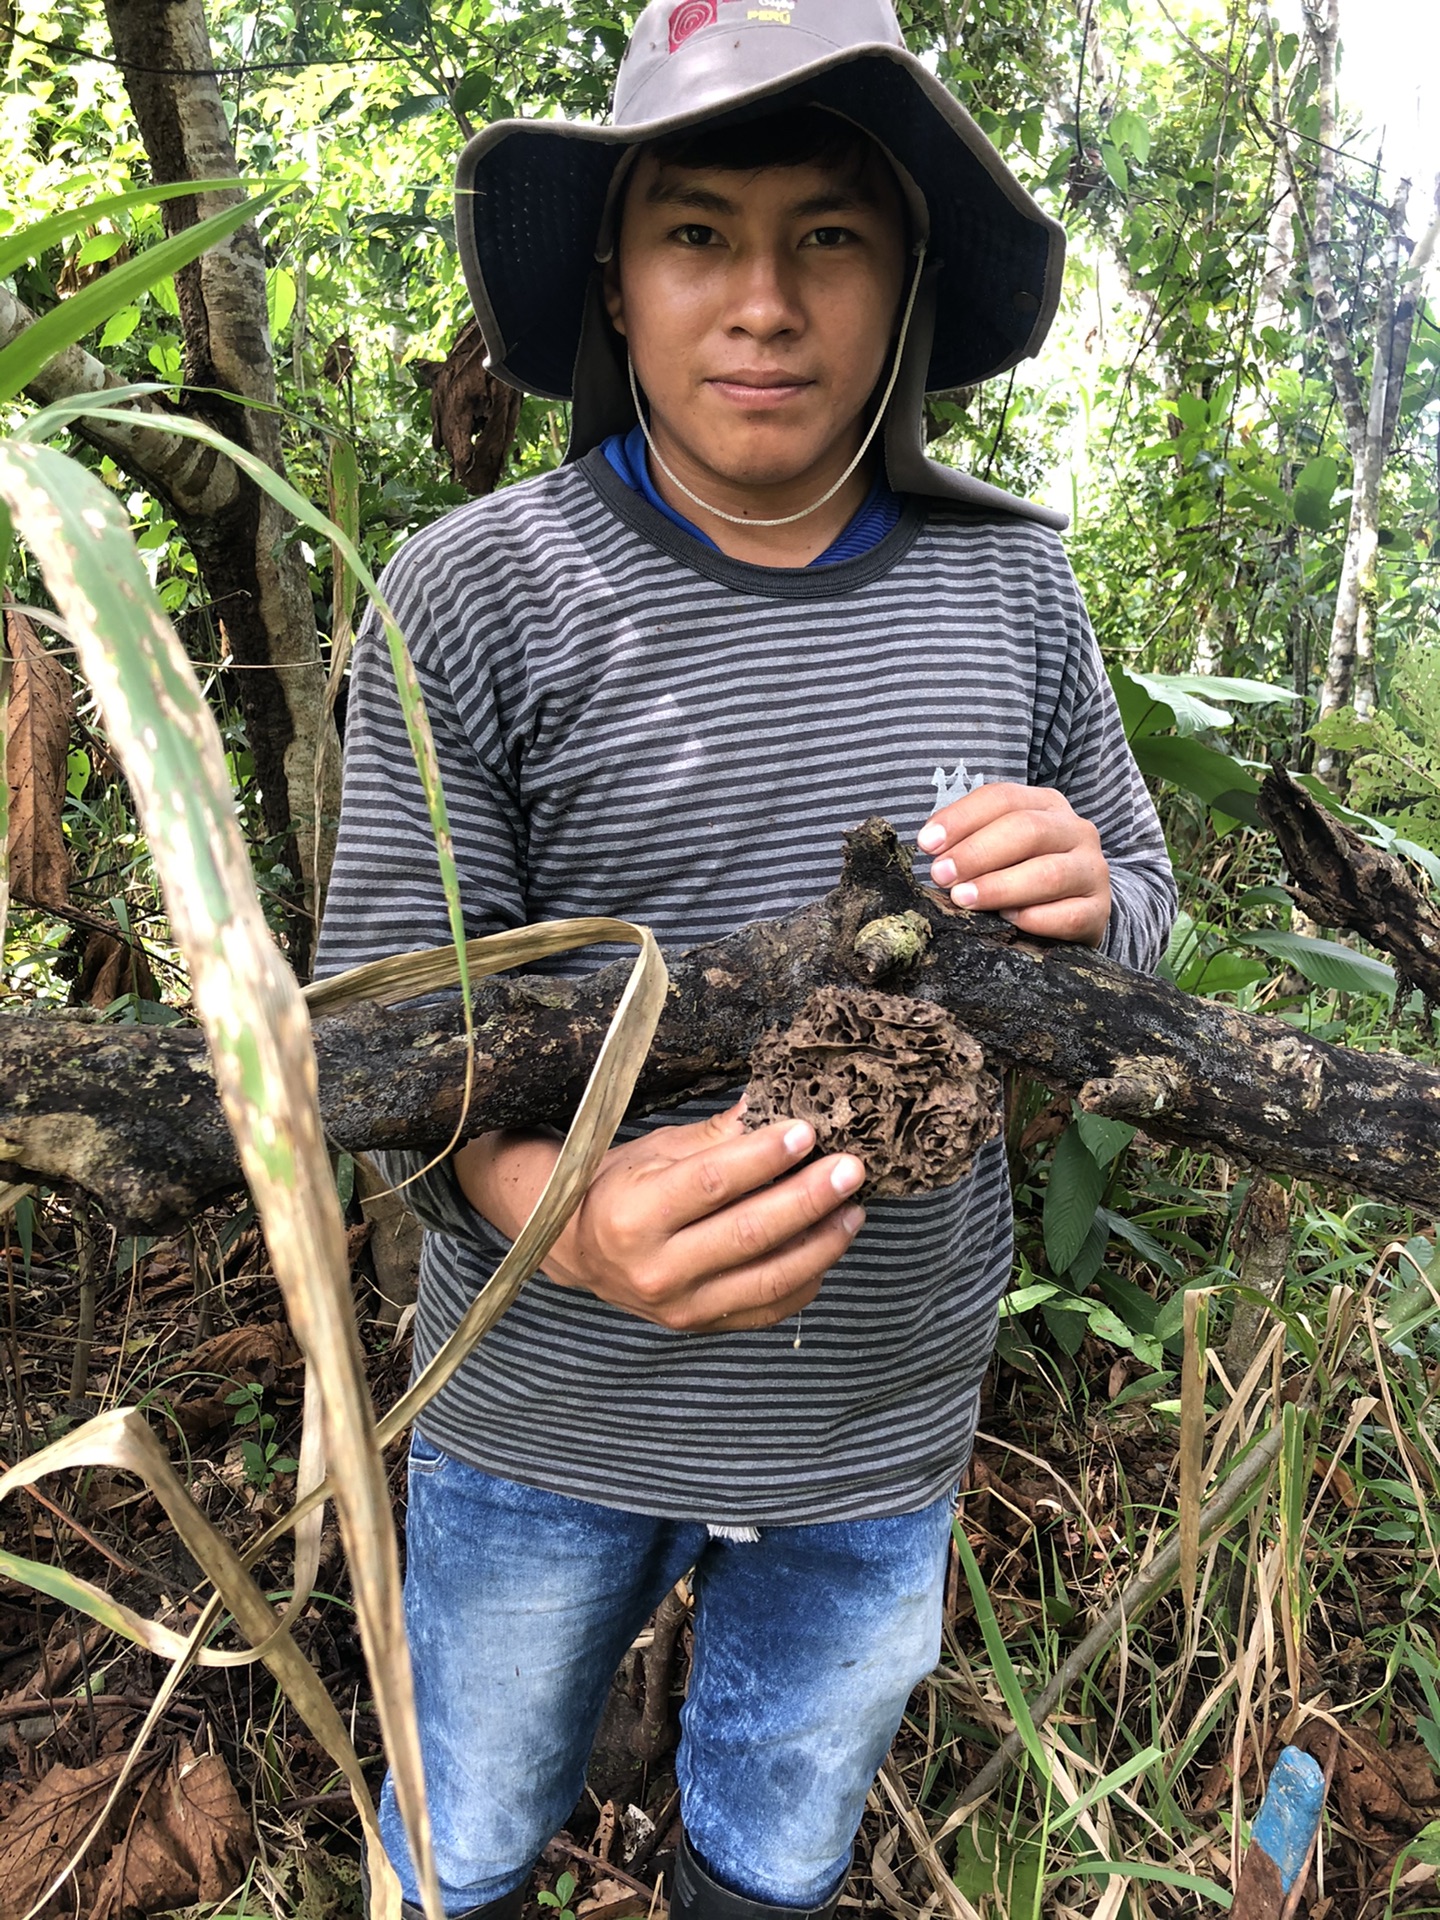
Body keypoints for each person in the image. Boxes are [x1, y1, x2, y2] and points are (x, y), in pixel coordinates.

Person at [316, 4, 1177, 1916]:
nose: (764, 301)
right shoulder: (473, 593)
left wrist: (1095, 893)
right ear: (616, 288)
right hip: (546, 1395)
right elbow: (381, 1022)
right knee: (467, 1817)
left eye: (831, 237)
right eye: (697, 232)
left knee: (782, 1831)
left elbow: (1150, 902)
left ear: (907, 286)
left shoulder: (1013, 581)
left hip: (881, 1411)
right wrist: (558, 1211)